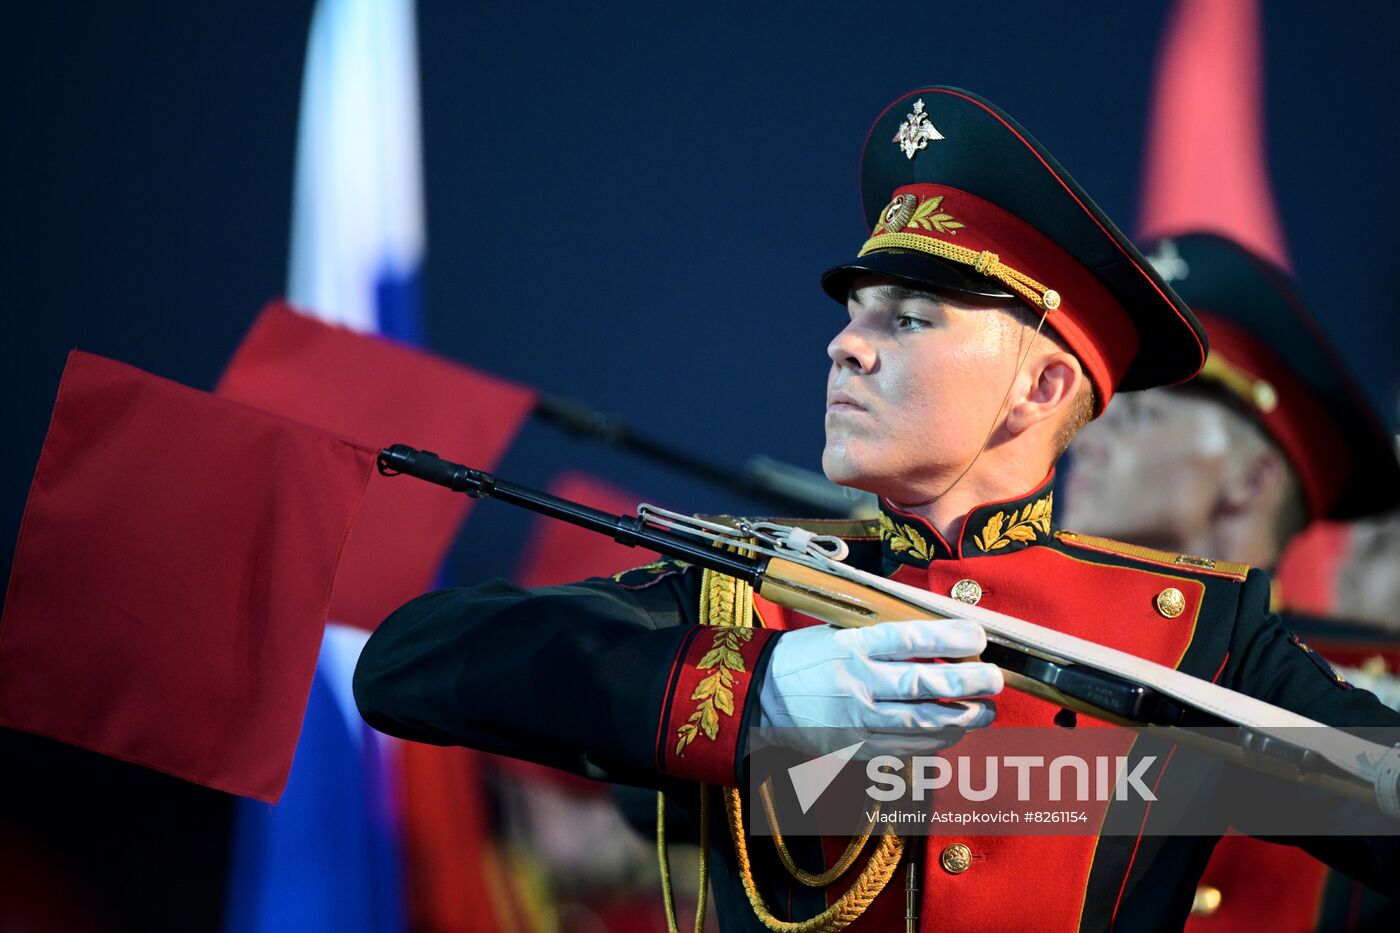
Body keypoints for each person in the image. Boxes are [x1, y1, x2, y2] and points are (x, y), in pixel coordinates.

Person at [354, 88, 1400, 931]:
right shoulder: (751, 595)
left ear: (1036, 391)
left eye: (907, 318)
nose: (844, 346)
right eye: (854, 317)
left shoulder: (1203, 635)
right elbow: (409, 665)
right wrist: (759, 694)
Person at [1063, 232, 1400, 927]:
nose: (1085, 437)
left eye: (1141, 412)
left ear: (1250, 479)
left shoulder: (1362, 700)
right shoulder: (1003, 637)